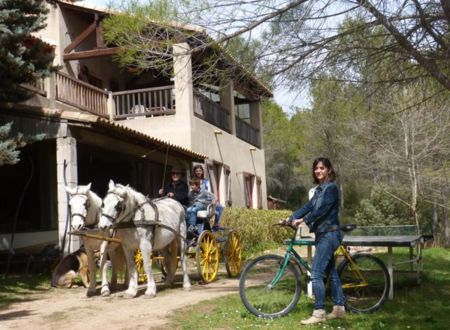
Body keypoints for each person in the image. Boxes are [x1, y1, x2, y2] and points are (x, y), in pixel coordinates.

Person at [284, 157, 345, 324]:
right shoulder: (319, 190)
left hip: (329, 234)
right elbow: (308, 207)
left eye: (322, 168)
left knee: (316, 273)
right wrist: (290, 217)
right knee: (331, 272)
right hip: (322, 234)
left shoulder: (331, 188)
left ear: (329, 170)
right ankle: (339, 309)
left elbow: (321, 210)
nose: (318, 171)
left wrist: (302, 221)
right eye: (316, 168)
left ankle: (319, 313)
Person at [192, 164, 224, 231]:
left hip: (207, 199)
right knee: (218, 208)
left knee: (219, 207)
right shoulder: (193, 181)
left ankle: (216, 224)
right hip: (199, 200)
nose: (198, 172)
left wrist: (213, 199)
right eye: (196, 171)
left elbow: (209, 191)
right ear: (194, 172)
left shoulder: (206, 181)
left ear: (202, 171)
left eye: (199, 170)